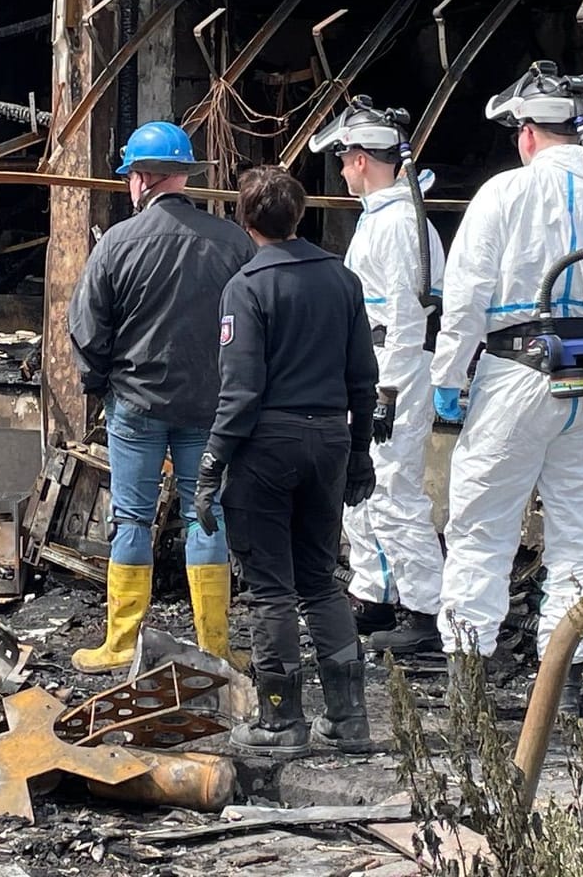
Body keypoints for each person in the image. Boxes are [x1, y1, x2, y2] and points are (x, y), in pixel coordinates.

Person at [429, 62, 583, 712]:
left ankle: (469, 685)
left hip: (519, 370)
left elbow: (467, 296)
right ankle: (570, 681)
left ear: (529, 134)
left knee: (483, 525)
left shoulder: (504, 196)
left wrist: (447, 377)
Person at [195, 166, 379, 756]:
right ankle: (349, 719)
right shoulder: (342, 281)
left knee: (271, 588)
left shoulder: (246, 288)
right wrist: (359, 456)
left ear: (245, 222)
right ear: (299, 216)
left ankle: (280, 721)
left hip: (266, 448)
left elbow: (240, 389)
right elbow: (363, 379)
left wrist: (210, 466)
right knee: (321, 581)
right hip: (328, 439)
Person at [68, 121, 253, 673]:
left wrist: (98, 384)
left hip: (136, 404)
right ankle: (214, 648)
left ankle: (122, 645)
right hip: (210, 408)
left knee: (132, 520)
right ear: (182, 176)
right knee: (207, 517)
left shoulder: (117, 244)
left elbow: (86, 328)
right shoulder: (233, 243)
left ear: (142, 179)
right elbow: (253, 325)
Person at [310, 97, 449, 656]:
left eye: (345, 159)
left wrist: (385, 394)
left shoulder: (396, 225)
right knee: (361, 488)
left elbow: (407, 318)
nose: (342, 170)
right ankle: (373, 593)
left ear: (363, 159)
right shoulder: (387, 219)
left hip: (390, 368)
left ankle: (425, 610)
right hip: (372, 367)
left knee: (392, 488)